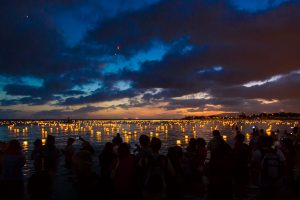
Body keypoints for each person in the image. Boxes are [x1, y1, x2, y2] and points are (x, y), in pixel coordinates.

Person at [232, 133, 250, 200]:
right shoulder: (246, 147)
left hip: (238, 170)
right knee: (243, 187)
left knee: (238, 187)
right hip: (244, 169)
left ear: (237, 140)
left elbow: (233, 159)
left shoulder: (236, 149)